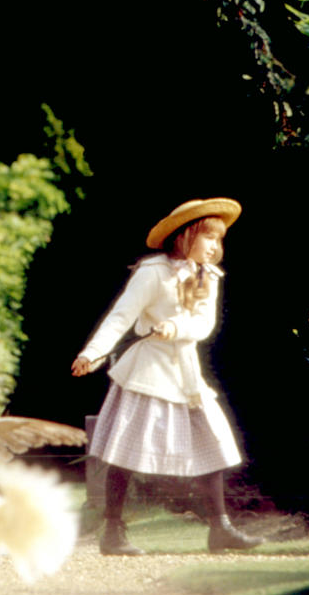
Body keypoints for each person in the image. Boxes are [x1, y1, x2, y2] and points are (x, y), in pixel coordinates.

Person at [71, 197, 263, 554]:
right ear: (184, 236)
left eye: (219, 240)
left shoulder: (209, 276)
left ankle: (220, 528)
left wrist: (174, 327)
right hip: (148, 372)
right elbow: (121, 316)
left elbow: (204, 325)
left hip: (186, 374)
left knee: (212, 442)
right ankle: (113, 531)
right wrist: (92, 353)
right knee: (125, 449)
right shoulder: (152, 271)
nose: (214, 247)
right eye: (208, 238)